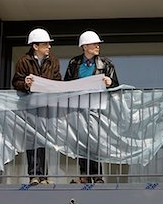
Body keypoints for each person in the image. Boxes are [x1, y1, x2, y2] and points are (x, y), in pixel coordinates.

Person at [64, 30, 119, 183]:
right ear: (85, 46)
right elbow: (67, 84)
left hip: (97, 108)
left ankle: (96, 175)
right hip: (78, 108)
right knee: (81, 142)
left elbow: (116, 86)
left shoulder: (106, 63)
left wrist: (110, 83)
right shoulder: (74, 63)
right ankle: (84, 175)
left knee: (94, 141)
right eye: (94, 44)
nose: (97, 46)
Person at [12, 28, 61, 185]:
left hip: (47, 107)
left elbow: (57, 80)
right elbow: (16, 82)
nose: (49, 47)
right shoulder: (24, 61)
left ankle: (44, 176)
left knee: (44, 140)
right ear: (35, 46)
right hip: (31, 107)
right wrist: (25, 84)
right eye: (45, 44)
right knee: (32, 141)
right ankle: (34, 175)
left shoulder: (53, 61)